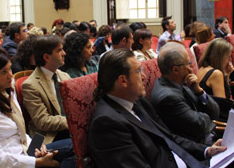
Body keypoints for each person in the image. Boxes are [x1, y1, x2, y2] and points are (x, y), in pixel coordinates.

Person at [89, 49, 226, 167]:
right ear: (122, 81)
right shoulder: (106, 123)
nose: (144, 76)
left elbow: (169, 137)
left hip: (191, 162)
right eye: (138, 71)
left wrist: (207, 150)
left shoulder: (138, 102)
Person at [0, 45, 74, 167]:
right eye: (3, 72)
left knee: (77, 145)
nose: (10, 76)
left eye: (10, 69)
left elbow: (21, 134)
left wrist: (38, 147)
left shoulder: (6, 91)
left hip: (24, 152)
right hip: (8, 163)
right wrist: (36, 163)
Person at [150, 42, 220, 144]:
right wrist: (206, 117)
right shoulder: (168, 98)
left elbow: (215, 112)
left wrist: (199, 92)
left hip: (210, 136)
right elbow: (200, 125)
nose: (191, 68)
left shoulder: (183, 82)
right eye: (189, 63)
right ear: (176, 69)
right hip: (199, 147)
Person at [22, 35, 71, 144]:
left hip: (68, 130)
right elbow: (42, 121)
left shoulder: (65, 76)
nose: (64, 53)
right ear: (47, 57)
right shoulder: (30, 85)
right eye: (59, 50)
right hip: (45, 137)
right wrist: (71, 121)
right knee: (77, 146)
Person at [197, 38, 234, 120]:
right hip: (218, 123)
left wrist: (227, 75)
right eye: (229, 57)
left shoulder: (202, 68)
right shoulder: (216, 74)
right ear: (221, 57)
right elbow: (224, 108)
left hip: (205, 115)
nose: (230, 60)